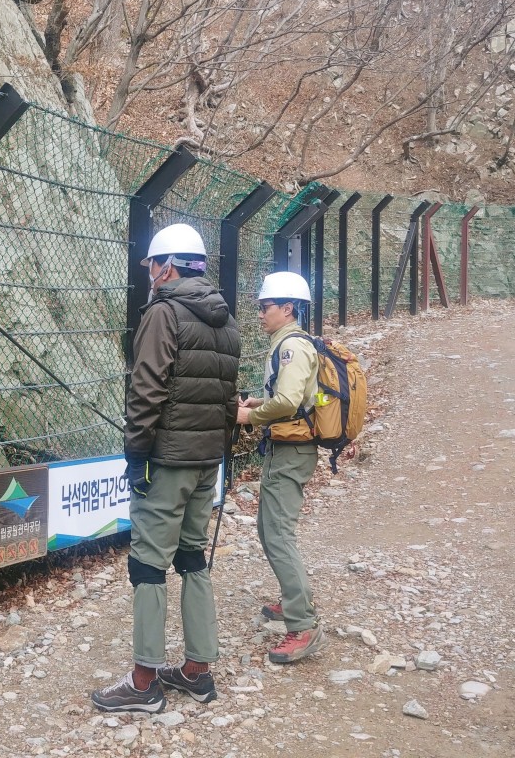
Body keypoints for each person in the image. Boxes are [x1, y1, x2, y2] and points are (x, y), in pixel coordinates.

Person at [91, 223, 240, 713]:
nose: (149, 274)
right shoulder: (226, 318)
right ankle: (198, 671)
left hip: (167, 461)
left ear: (168, 266)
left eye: (152, 265)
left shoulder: (163, 313)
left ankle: (143, 681)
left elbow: (147, 390)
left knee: (147, 564)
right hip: (206, 461)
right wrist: (220, 454)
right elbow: (225, 399)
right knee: (193, 557)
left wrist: (136, 453)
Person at [236, 271, 329, 664]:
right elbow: (298, 396)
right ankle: (295, 599)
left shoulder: (291, 346)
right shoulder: (295, 343)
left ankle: (302, 625)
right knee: (270, 528)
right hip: (291, 446)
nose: (260, 313)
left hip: (291, 450)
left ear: (287, 308)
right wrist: (259, 402)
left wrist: (248, 418)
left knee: (276, 532)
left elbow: (290, 400)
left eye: (266, 306)